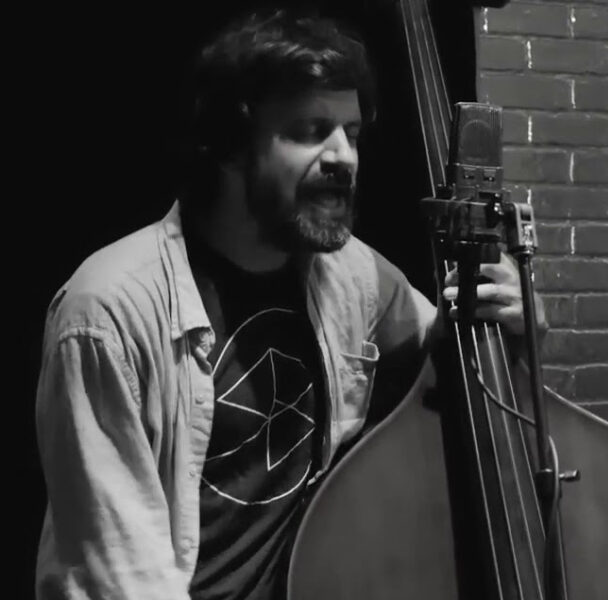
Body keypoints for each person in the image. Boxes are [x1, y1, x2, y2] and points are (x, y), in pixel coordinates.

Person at [34, 8, 542, 600]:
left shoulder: (354, 275)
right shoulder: (107, 315)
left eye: (352, 134)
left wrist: (511, 320)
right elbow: (119, 577)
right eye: (309, 131)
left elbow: (455, 366)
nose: (344, 157)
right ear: (229, 144)